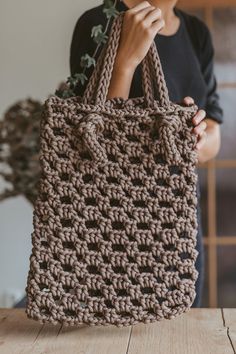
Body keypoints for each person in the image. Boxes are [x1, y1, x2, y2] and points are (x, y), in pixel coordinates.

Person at [70, 0, 224, 307]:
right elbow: (90, 134)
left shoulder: (196, 32)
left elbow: (213, 134)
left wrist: (193, 138)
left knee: (179, 328)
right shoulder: (101, 22)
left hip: (177, 219)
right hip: (113, 219)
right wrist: (125, 61)